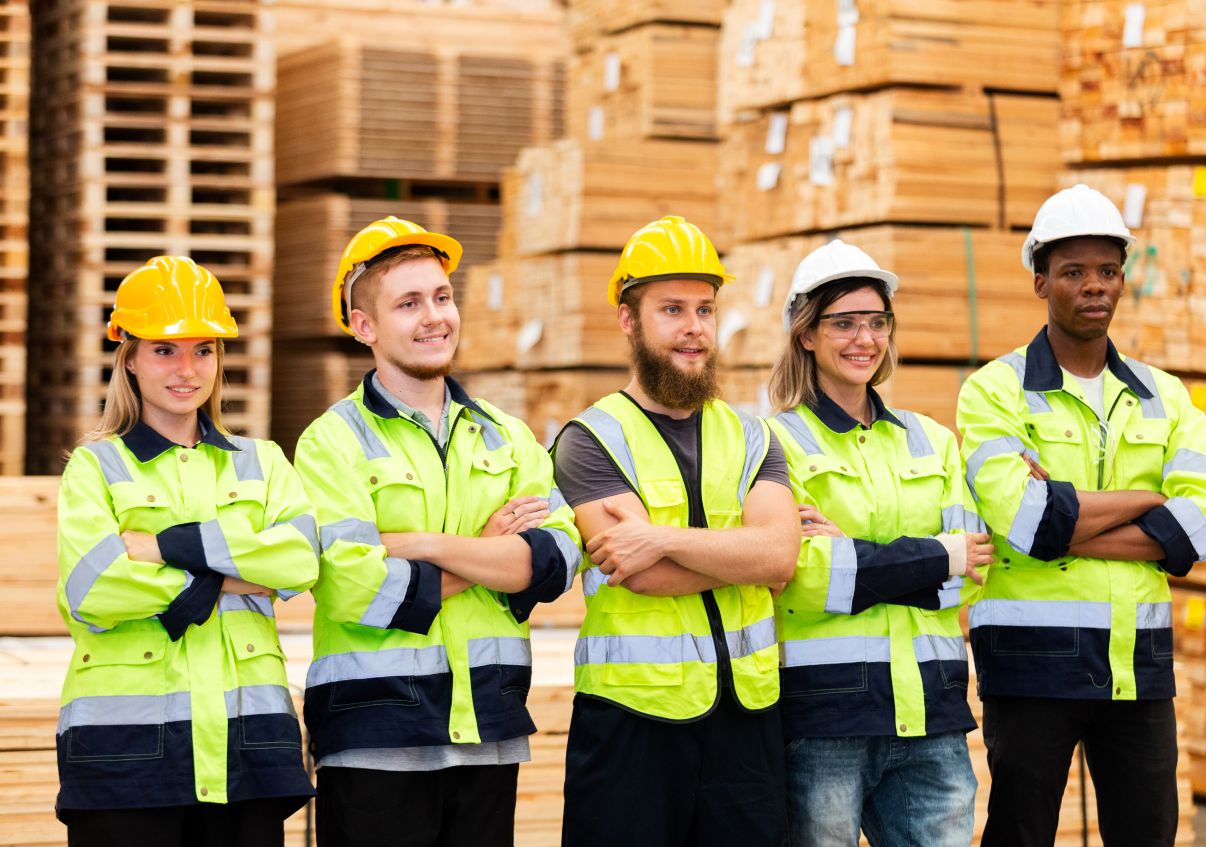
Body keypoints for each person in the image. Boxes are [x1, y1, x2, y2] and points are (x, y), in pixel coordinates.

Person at [293, 216, 582, 847]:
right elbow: (354, 588)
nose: (435, 317)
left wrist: (420, 546)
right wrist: (489, 551)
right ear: (364, 326)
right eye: (409, 303)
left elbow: (557, 562)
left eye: (443, 297)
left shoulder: (508, 436)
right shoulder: (331, 443)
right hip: (374, 737)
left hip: (488, 727)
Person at [958, 184, 1206, 846]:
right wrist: (1148, 502)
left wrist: (1068, 521)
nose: (1094, 286)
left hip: (1137, 670)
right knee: (1020, 835)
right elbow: (1027, 522)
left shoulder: (1163, 396)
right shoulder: (993, 393)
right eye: (1074, 272)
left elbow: (1204, 528)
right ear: (1040, 280)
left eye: (1108, 271)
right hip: (1030, 667)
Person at [552, 215, 801, 847]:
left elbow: (778, 557)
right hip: (632, 724)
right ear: (628, 320)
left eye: (705, 309)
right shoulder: (590, 441)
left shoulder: (751, 435)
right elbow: (642, 575)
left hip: (748, 721)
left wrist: (662, 537)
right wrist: (731, 552)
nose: (694, 328)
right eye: (671, 309)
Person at [54, 256, 319, 846]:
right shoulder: (95, 468)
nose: (187, 368)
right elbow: (93, 588)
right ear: (129, 358)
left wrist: (160, 547)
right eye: (165, 350)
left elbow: (301, 561)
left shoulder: (264, 460)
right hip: (125, 752)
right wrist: (233, 576)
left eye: (203, 349)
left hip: (246, 744)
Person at [765, 240, 992, 846]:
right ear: (806, 333)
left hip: (932, 714)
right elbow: (800, 576)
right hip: (826, 716)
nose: (863, 338)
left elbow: (971, 573)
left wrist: (859, 557)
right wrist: (933, 551)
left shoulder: (933, 440)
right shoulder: (772, 442)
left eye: (876, 322)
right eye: (843, 323)